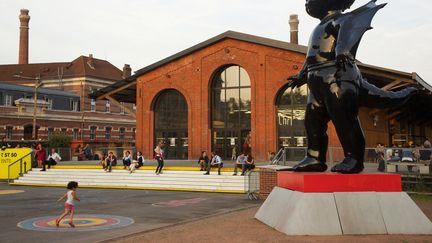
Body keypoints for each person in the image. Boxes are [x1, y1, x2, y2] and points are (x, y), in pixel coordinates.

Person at [285, 0, 417, 173]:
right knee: (312, 120)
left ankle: (354, 158)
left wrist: (342, 50)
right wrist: (301, 75)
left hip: (338, 77)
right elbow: (312, 56)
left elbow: (345, 39)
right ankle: (314, 157)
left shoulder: (343, 20)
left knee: (344, 119)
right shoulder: (320, 26)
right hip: (316, 80)